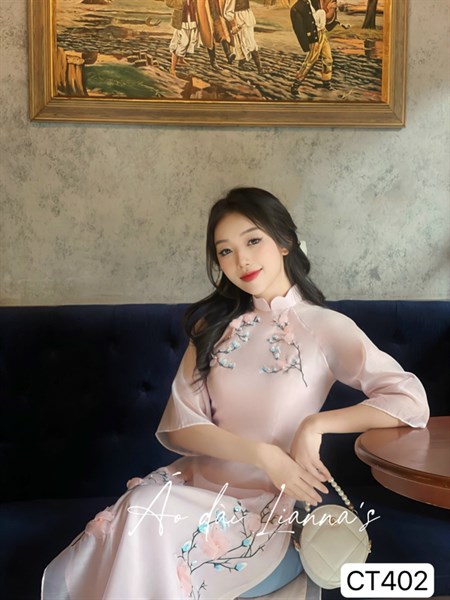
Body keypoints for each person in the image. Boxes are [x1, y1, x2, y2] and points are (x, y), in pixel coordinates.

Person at [41, 187, 429, 599]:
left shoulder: (325, 327)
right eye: (225, 251)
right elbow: (183, 427)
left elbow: (409, 400)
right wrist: (263, 454)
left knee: (144, 519)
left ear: (285, 241)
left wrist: (316, 425)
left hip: (264, 515)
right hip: (192, 491)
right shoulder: (211, 328)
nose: (241, 260)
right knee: (139, 513)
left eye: (253, 241)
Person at [290, 0, 334, 97]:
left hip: (322, 34)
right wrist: (305, 45)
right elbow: (299, 29)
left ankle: (326, 82)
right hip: (314, 37)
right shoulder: (296, 8)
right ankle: (296, 84)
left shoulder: (314, 1)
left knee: (328, 58)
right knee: (310, 62)